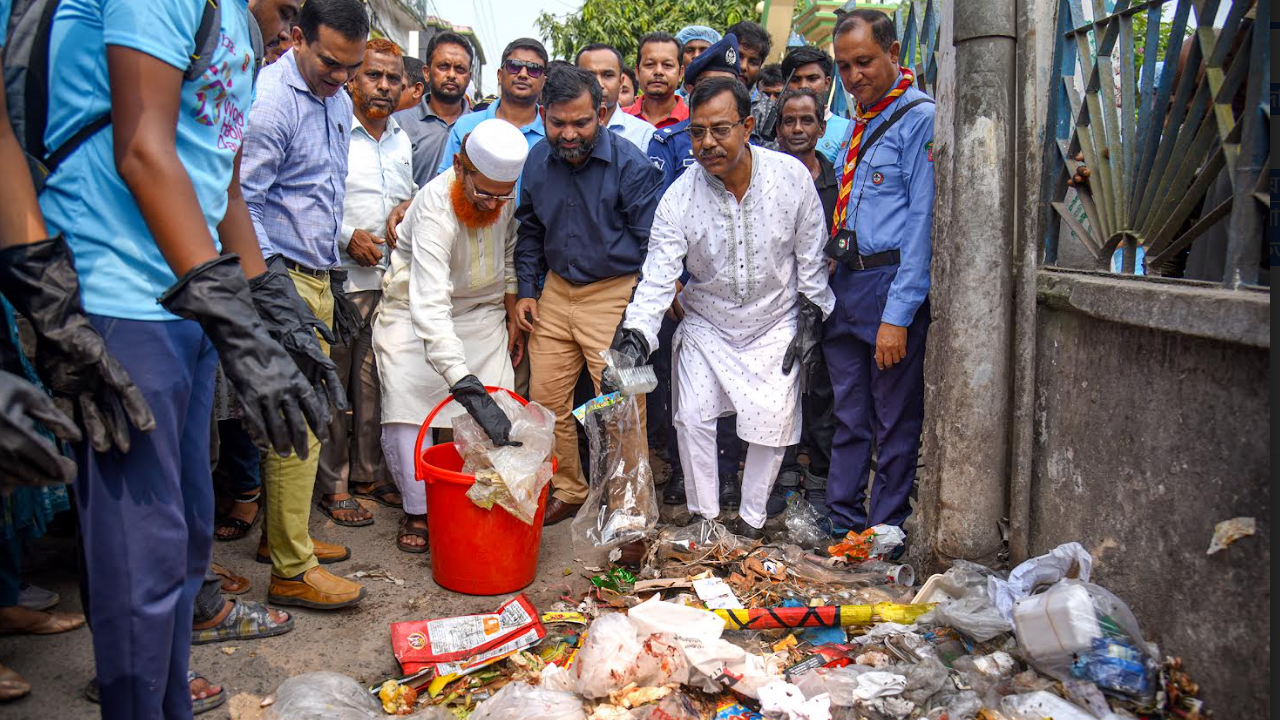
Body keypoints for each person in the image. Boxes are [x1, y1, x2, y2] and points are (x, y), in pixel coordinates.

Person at [31, 0, 330, 714]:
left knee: (187, 530)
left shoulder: (238, 21)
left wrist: (269, 300)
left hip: (190, 297)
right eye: (289, 13)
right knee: (143, 552)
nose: (291, 25)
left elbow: (215, 174)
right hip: (124, 293)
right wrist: (235, 318)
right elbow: (143, 148)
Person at [612, 77, 833, 540]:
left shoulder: (790, 178)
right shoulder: (679, 197)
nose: (707, 143)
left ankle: (752, 523)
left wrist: (811, 319)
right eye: (696, 132)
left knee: (772, 425)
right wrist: (635, 336)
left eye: (720, 129)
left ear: (748, 126)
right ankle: (706, 521)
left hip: (775, 322)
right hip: (707, 322)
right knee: (691, 418)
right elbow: (657, 277)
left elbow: (811, 256)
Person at [241, 0, 371, 611]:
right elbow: (245, 202)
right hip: (277, 278)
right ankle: (292, 568)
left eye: (351, 66)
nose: (340, 77)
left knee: (307, 414)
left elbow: (322, 198)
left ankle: (281, 540)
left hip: (317, 275)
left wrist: (334, 279)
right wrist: (276, 292)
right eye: (329, 62)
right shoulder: (270, 100)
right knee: (298, 416)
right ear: (296, 38)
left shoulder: (338, 101)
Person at [513, 66, 664, 526]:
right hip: (557, 292)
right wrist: (526, 290)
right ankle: (570, 488)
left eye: (580, 122)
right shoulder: (537, 159)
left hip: (619, 290)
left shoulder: (631, 164)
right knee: (545, 400)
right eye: (558, 123)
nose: (569, 133)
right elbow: (531, 230)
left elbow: (656, 248)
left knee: (624, 405)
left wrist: (635, 316)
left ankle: (629, 511)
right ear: (543, 116)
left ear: (601, 113)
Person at [373, 119, 529, 552]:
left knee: (499, 402)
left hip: (481, 314)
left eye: (504, 195)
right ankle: (418, 509)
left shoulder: (502, 196)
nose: (493, 204)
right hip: (413, 312)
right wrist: (462, 381)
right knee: (408, 401)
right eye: (484, 194)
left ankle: (481, 496)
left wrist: (511, 306)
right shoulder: (432, 208)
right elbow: (429, 303)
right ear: (460, 166)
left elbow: (511, 249)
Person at [825, 10, 936, 541]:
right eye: (844, 66)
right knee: (849, 413)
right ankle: (842, 523)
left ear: (894, 54)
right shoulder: (859, 121)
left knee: (894, 418)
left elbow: (920, 225)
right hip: (846, 284)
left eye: (864, 61)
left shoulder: (918, 120)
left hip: (888, 285)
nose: (853, 76)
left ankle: (883, 531)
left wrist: (898, 316)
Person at [643, 36, 749, 513]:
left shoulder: (757, 154)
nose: (709, 137)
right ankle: (688, 477)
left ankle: (728, 478)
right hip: (683, 289)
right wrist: (673, 285)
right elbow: (664, 219)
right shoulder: (669, 147)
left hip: (746, 296)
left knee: (738, 395)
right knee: (686, 394)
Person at [315, 38, 413, 527]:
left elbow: (406, 199)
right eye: (374, 75)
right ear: (352, 77)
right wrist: (344, 236)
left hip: (388, 280)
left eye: (393, 78)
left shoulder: (399, 137)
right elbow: (305, 200)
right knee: (332, 386)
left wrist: (405, 208)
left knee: (374, 384)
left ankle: (368, 474)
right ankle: (332, 485)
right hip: (336, 278)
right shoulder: (331, 126)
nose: (384, 86)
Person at [771, 88, 839, 517]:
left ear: (821, 127)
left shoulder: (838, 182)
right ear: (777, 128)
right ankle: (782, 475)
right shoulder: (766, 178)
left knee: (821, 392)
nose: (798, 129)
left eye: (806, 121)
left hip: (823, 302)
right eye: (789, 121)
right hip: (773, 304)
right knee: (780, 389)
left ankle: (819, 477)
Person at [433, 38, 548, 185]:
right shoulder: (466, 126)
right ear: (500, 75)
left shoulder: (552, 133)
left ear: (544, 81)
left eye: (533, 69)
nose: (523, 74)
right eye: (514, 66)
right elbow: (446, 187)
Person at [393, 31, 474, 186]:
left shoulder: (479, 127)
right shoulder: (398, 124)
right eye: (443, 66)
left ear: (469, 77)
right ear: (427, 72)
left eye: (460, 69)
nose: (451, 74)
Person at [576, 42, 656, 152]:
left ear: (621, 81)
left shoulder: (644, 135)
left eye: (608, 75)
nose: (599, 84)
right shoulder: (562, 132)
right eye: (590, 76)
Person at [781, 46, 850, 163]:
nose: (803, 86)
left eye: (812, 79)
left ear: (827, 83)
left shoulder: (848, 130)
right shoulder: (773, 128)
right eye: (795, 79)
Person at [625, 32, 687, 129]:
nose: (658, 71)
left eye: (667, 65)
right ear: (637, 72)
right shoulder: (620, 120)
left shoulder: (693, 122)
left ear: (680, 73)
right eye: (650, 64)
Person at [726, 20, 772, 91]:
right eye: (738, 56)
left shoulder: (767, 102)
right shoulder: (704, 95)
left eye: (753, 62)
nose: (743, 66)